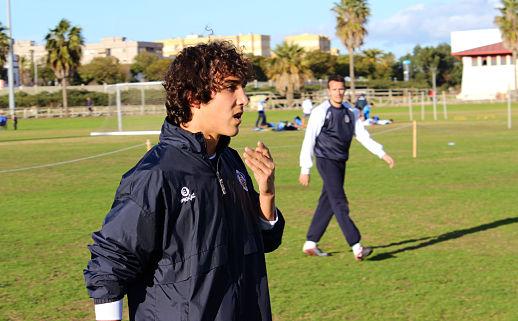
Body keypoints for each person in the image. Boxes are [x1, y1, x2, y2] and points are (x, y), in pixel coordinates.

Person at [84, 41, 285, 321]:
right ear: (193, 97)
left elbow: (266, 241)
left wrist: (266, 195)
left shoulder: (231, 162)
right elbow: (110, 264)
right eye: (230, 87)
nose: (244, 98)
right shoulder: (156, 174)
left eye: (243, 87)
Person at [298, 75, 394, 261]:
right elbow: (308, 139)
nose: (338, 92)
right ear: (329, 91)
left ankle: (310, 243)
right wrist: (305, 168)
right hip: (325, 160)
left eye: (341, 89)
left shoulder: (351, 111)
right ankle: (357, 246)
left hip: (341, 161)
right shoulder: (320, 112)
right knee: (340, 202)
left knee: (328, 201)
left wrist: (382, 153)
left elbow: (363, 136)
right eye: (334, 89)